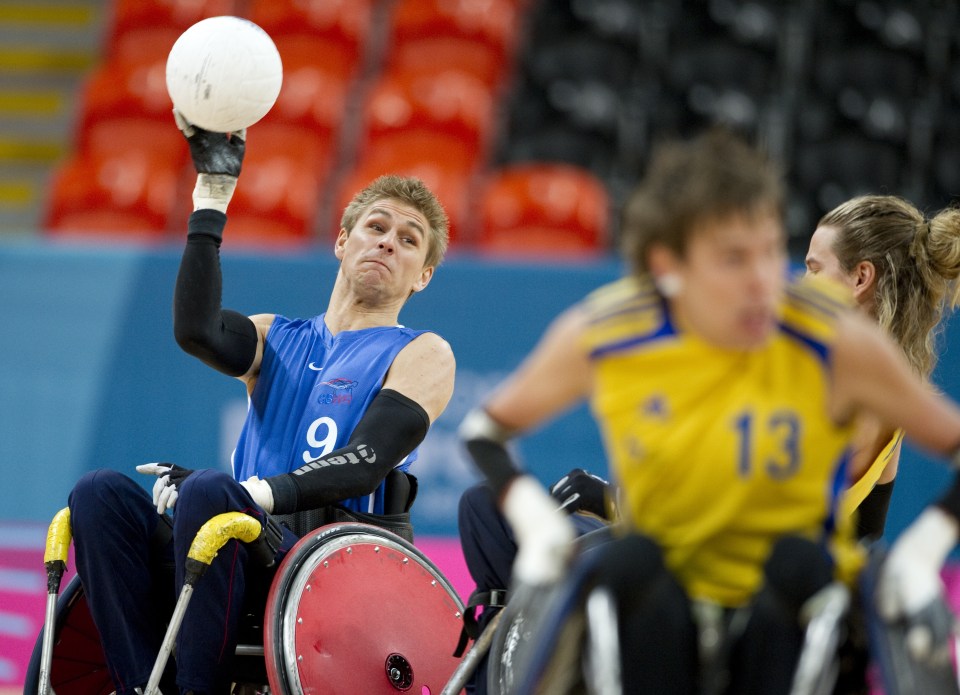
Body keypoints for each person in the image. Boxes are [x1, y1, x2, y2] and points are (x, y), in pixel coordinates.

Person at [457, 128, 960, 694]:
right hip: (668, 577)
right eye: (734, 259)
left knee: (792, 568)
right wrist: (533, 520)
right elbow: (485, 432)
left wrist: (922, 551)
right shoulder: (608, 330)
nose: (764, 281)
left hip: (779, 591)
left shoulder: (832, 342)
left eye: (773, 252)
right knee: (629, 567)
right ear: (670, 261)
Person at [65, 113, 456, 695]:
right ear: (342, 242)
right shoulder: (277, 336)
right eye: (376, 227)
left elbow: (368, 458)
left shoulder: (422, 352)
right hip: (240, 538)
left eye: (408, 240)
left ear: (421, 277)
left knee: (209, 493)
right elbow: (196, 330)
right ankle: (136, 685)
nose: (387, 242)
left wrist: (245, 493)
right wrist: (211, 197)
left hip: (333, 554)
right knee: (98, 494)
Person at [805, 196, 960, 540]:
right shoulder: (894, 406)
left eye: (814, 269)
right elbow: (867, 541)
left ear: (861, 277)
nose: (802, 284)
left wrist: (926, 547)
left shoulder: (817, 381)